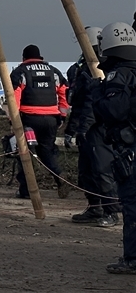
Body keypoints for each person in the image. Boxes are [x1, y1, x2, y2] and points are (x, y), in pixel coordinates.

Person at [89, 22, 136, 275]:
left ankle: (133, 258)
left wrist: (98, 93)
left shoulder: (121, 75)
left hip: (131, 151)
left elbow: (114, 111)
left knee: (132, 205)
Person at [67, 29, 119, 226]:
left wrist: (84, 128)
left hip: (98, 129)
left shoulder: (97, 67)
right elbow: (79, 105)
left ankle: (111, 212)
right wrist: (72, 129)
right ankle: (94, 207)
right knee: (87, 171)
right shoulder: (84, 66)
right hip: (86, 128)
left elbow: (91, 102)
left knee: (102, 171)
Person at [10, 44, 69, 199]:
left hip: (29, 119)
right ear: (40, 57)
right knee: (47, 151)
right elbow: (64, 93)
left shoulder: (20, 72)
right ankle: (59, 175)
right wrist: (62, 116)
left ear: (24, 58)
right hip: (51, 120)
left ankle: (26, 190)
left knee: (25, 153)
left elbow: (14, 97)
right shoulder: (54, 72)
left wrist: (13, 120)